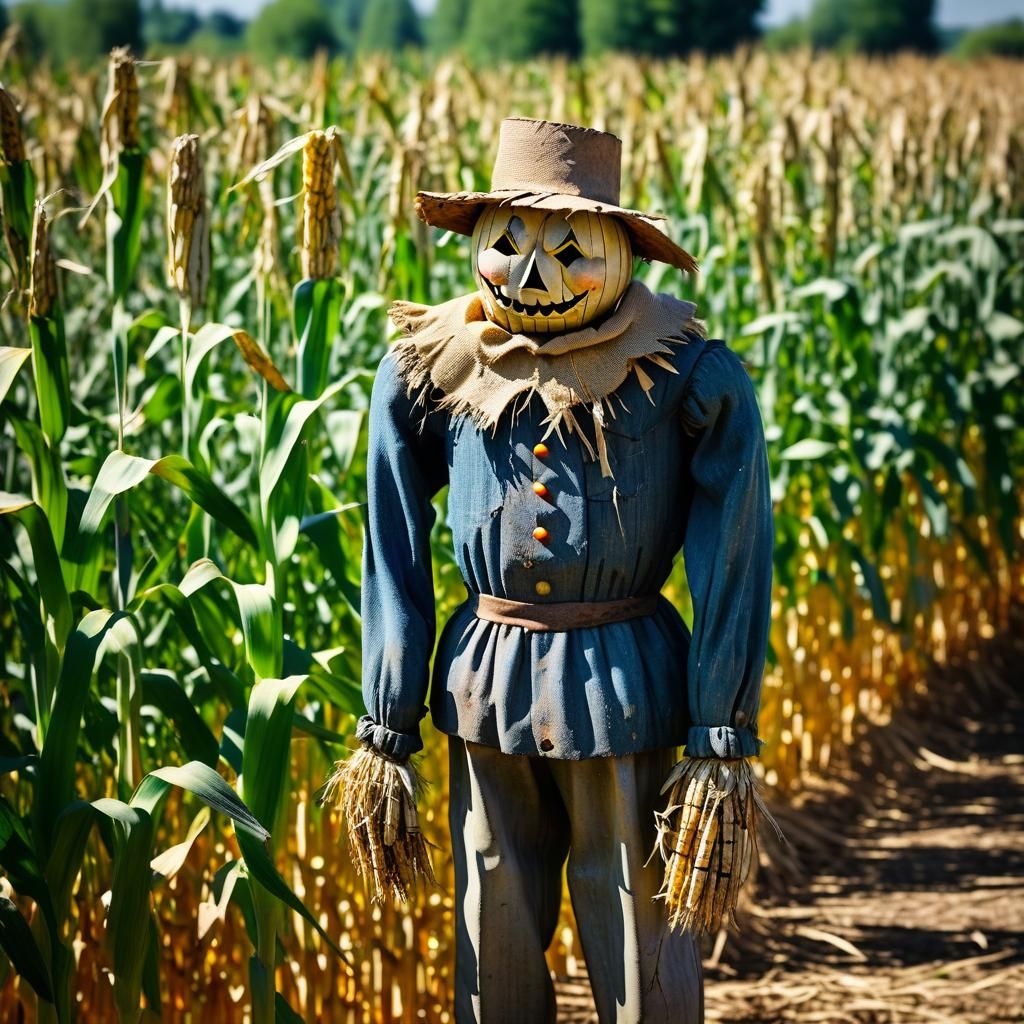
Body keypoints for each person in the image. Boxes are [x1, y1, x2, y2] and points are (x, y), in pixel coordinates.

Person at [321, 117, 775, 1024]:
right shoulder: (427, 370)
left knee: (639, 930)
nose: (533, 273)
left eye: (568, 249)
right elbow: (392, 543)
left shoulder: (687, 375)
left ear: (620, 251)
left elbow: (736, 551)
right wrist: (387, 721)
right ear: (478, 242)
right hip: (486, 682)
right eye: (508, 246)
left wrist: (720, 734)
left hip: (625, 682)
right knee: (493, 918)